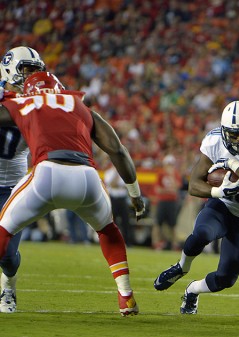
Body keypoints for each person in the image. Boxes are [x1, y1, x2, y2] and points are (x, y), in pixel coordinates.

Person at [0, 71, 146, 316]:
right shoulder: (79, 105)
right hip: (86, 178)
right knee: (108, 230)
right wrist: (135, 194)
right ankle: (126, 296)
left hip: (47, 175)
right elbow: (117, 150)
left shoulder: (25, 101)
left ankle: (7, 289)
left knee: (4, 231)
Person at [153, 100, 239, 314]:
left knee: (226, 279)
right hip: (222, 206)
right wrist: (216, 192)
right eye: (234, 134)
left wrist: (231, 163)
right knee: (203, 233)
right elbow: (193, 184)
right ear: (224, 131)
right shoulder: (214, 141)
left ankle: (192, 290)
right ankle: (181, 267)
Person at [0, 46, 45, 313]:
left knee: (6, 254)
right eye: (26, 69)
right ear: (9, 68)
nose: (31, 76)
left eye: (35, 70)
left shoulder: (40, 99)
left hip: (14, 187)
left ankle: (9, 287)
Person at [104, 163, 133, 246]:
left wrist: (116, 185)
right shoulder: (108, 172)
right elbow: (111, 184)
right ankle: (112, 241)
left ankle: (127, 241)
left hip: (122, 199)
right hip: (113, 198)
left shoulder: (124, 172)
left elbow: (127, 186)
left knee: (126, 221)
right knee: (113, 221)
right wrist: (116, 175)